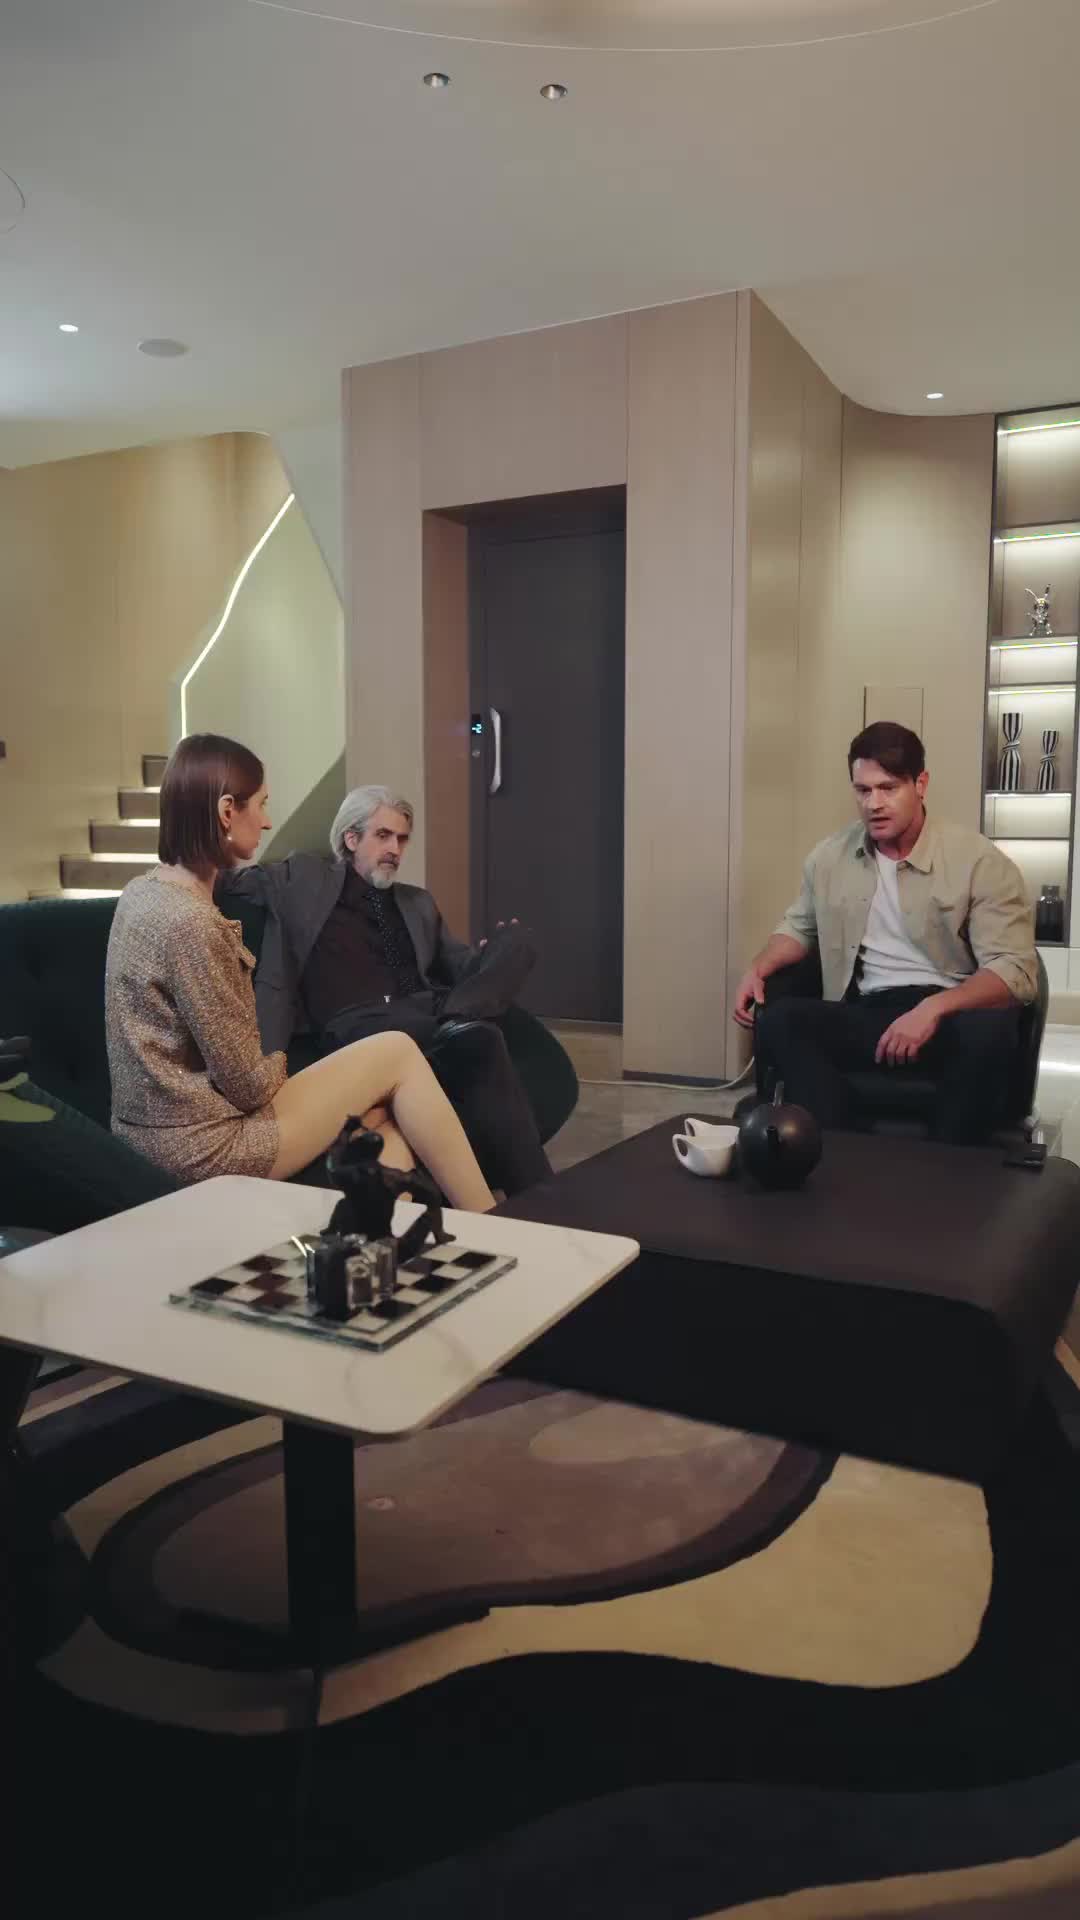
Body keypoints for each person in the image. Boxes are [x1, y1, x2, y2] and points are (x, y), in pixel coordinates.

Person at [105, 735, 495, 1210]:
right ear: (227, 812)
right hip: (201, 1147)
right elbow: (248, 1085)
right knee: (397, 1052)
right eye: (262, 805)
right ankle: (493, 1222)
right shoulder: (192, 924)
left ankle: (376, 1246)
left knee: (389, 1130)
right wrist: (294, 1068)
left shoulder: (141, 892)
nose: (267, 821)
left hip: (153, 1130)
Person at [216, 785, 551, 1196]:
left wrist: (499, 953)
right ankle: (543, 1200)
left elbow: (463, 968)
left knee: (516, 948)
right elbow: (226, 882)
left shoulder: (417, 903)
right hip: (359, 1025)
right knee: (478, 1035)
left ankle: (458, 1021)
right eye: (383, 836)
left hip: (426, 1014)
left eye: (402, 839)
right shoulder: (303, 877)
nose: (395, 849)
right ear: (351, 839)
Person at [732, 721, 1038, 1145]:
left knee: (989, 1031)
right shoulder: (829, 857)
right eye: (863, 790)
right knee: (780, 1022)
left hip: (951, 1012)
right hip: (870, 1010)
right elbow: (798, 928)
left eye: (888, 788)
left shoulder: (980, 862)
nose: (873, 803)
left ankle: (947, 1165)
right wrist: (758, 967)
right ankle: (845, 1147)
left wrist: (932, 1009)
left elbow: (1014, 971)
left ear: (920, 785)